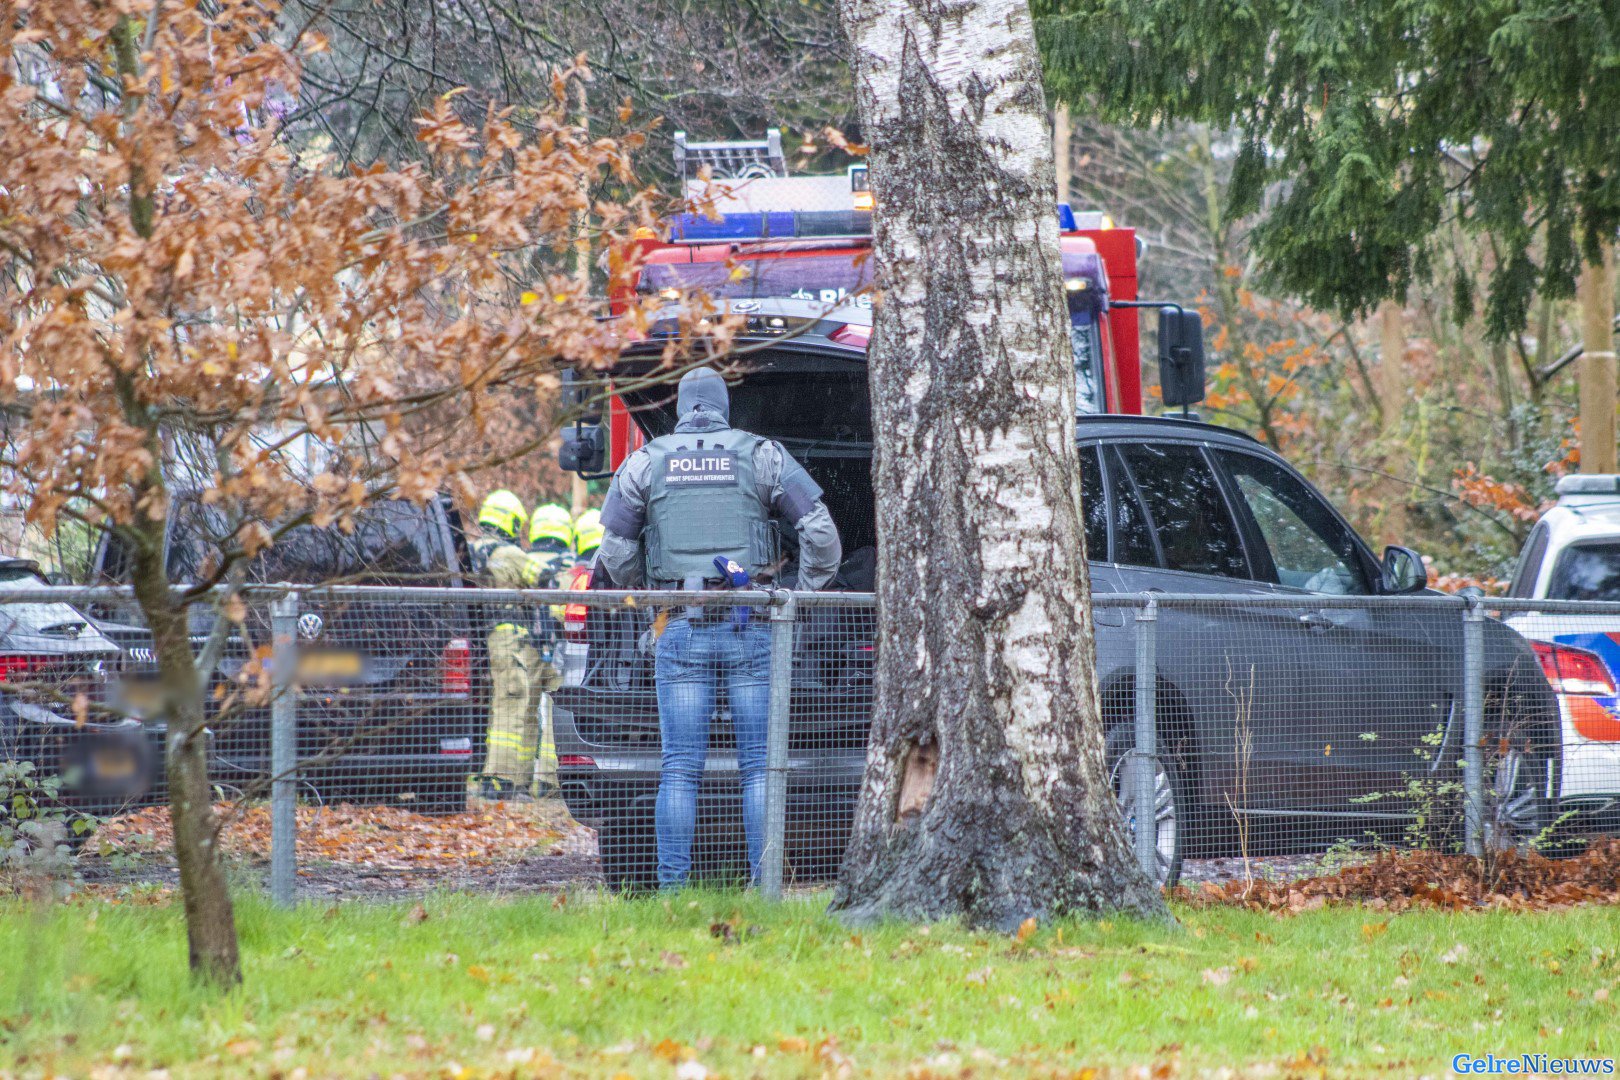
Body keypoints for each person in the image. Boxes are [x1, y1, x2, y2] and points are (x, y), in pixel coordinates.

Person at [598, 367, 841, 889]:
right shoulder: (762, 455)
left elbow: (615, 551)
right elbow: (822, 536)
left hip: (680, 627)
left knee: (680, 768)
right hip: (751, 625)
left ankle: (672, 893)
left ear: (682, 407)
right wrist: (797, 594)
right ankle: (764, 889)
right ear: (724, 407)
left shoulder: (644, 461)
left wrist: (654, 593)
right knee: (759, 768)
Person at [468, 490, 544, 803]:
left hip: (482, 640)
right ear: (511, 521)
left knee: (498, 706)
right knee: (512, 706)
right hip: (510, 640)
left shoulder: (472, 551)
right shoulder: (511, 554)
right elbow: (546, 580)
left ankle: (513, 779)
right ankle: (499, 779)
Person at [523, 502, 576, 798]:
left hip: (526, 646)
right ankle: (548, 779)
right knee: (557, 711)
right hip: (558, 648)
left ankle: (516, 779)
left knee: (523, 712)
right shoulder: (568, 565)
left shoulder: (525, 560)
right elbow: (565, 608)